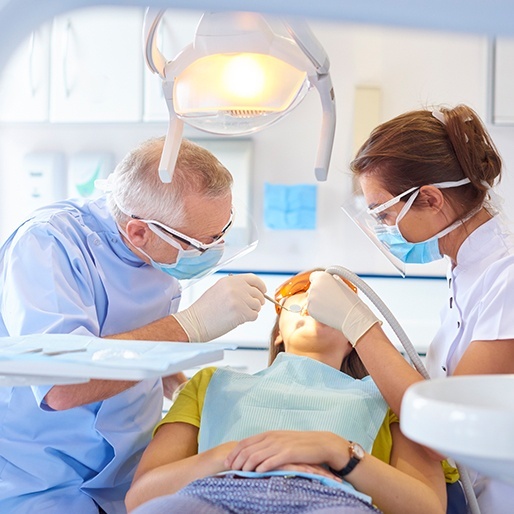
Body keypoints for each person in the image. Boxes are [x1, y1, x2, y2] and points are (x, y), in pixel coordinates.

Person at [0, 137, 266, 514]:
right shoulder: (47, 246)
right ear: (139, 231)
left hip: (128, 477)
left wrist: (180, 386)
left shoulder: (158, 250)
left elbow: (131, 339)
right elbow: (62, 386)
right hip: (42, 479)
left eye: (222, 232)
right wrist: (190, 326)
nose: (215, 249)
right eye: (201, 244)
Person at [306, 104, 514, 514]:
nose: (383, 228)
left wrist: (360, 325)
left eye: (384, 213)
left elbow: (445, 422)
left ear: (431, 199)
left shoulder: (506, 276)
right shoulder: (466, 267)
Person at [125, 269, 450, 514]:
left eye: (335, 302)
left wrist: (336, 450)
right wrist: (243, 453)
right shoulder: (209, 384)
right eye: (302, 291)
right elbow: (141, 498)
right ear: (278, 332)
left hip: (333, 502)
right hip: (213, 495)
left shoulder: (391, 398)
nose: (312, 299)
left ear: (353, 337)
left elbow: (427, 507)